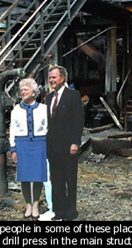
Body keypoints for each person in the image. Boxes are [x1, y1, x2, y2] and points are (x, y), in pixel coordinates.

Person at [46, 65, 84, 221]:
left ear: (62, 78)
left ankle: (71, 212)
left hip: (69, 146)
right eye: (50, 78)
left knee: (70, 179)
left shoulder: (73, 96)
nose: (51, 80)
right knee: (56, 180)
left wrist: (75, 142)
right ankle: (59, 211)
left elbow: (78, 121)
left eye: (54, 77)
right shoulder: (49, 98)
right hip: (53, 147)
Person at [10, 78, 48, 219]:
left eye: (26, 89)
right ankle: (28, 205)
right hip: (22, 144)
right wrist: (13, 149)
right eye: (22, 90)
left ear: (34, 92)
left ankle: (36, 204)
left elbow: (48, 128)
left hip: (39, 144)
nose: (23, 91)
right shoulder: (16, 110)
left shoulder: (43, 109)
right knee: (24, 177)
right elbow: (12, 130)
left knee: (38, 177)